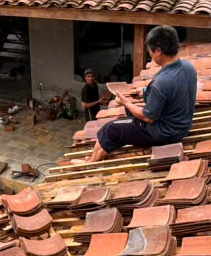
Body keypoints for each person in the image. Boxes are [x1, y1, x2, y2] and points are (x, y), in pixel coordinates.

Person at [83, 25, 197, 164]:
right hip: (181, 127)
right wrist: (144, 91)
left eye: (150, 52)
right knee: (130, 113)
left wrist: (126, 103)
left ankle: (90, 162)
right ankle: (92, 156)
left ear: (159, 51)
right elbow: (171, 90)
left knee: (111, 128)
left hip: (163, 133)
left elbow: (148, 117)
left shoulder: (162, 82)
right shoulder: (188, 67)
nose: (150, 55)